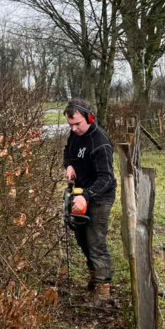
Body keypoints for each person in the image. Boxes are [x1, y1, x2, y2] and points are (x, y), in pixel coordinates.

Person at [63, 99, 116, 301]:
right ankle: (93, 275)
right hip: (80, 192)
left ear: (89, 118)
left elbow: (106, 177)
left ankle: (103, 289)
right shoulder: (75, 135)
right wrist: (68, 164)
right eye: (70, 125)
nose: (74, 129)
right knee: (81, 237)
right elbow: (68, 151)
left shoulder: (100, 142)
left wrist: (87, 196)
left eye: (77, 124)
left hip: (100, 196)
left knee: (96, 241)